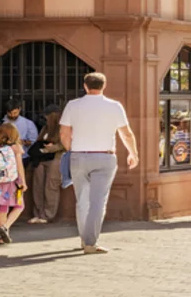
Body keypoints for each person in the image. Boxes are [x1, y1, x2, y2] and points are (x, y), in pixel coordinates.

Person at [59, 72, 139, 254]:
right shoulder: (114, 106)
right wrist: (133, 153)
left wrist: (72, 149)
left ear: (85, 86)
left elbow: (64, 133)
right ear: (104, 85)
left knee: (82, 201)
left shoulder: (73, 105)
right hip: (105, 157)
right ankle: (90, 242)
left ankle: (83, 239)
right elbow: (126, 133)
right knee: (98, 202)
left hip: (79, 156)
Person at [0, 123, 28, 244]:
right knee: (20, 206)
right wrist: (23, 182)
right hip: (13, 182)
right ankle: (5, 227)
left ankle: (2, 238)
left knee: (3, 208)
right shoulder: (16, 148)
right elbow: (20, 166)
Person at [26, 106, 64, 224]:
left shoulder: (62, 128)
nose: (45, 118)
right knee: (37, 186)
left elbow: (65, 144)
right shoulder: (45, 128)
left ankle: (47, 215)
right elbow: (39, 140)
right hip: (41, 159)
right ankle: (38, 213)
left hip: (55, 158)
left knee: (50, 186)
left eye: (47, 116)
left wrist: (50, 148)